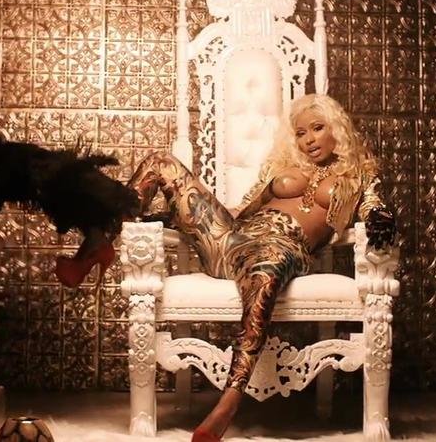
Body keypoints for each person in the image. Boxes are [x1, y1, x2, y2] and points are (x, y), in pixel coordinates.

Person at [122, 94, 396, 441]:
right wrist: (185, 216)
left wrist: (380, 217)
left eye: (317, 128)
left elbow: (373, 206)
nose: (309, 140)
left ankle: (229, 401)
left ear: (336, 129)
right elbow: (242, 207)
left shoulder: (359, 174)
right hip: (232, 240)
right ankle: (100, 237)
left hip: (283, 248)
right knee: (161, 162)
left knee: (265, 271)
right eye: (300, 133)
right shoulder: (280, 166)